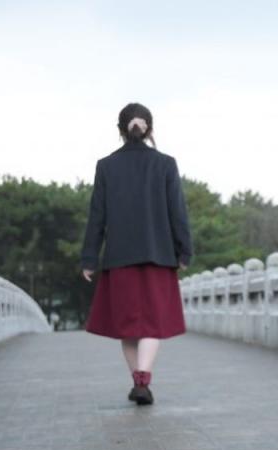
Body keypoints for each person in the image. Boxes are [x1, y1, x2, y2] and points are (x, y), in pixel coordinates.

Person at [80, 102, 193, 406]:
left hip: (119, 258)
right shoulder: (166, 164)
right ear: (149, 129)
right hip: (159, 256)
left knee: (128, 326)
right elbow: (177, 212)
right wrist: (184, 250)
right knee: (151, 324)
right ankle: (144, 378)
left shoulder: (106, 166)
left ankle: (138, 381)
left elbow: (97, 216)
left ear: (120, 129)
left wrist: (89, 258)